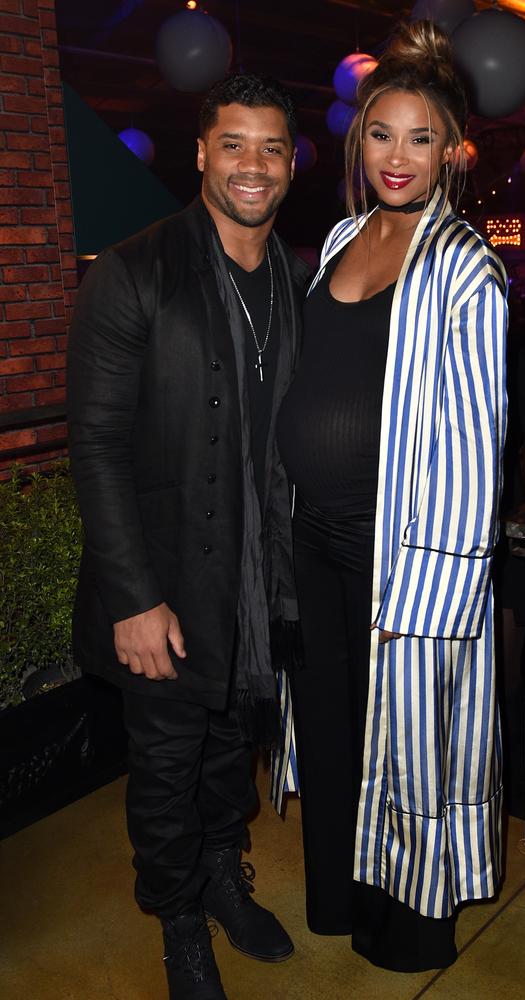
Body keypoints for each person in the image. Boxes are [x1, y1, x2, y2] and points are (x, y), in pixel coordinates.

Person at [67, 75, 310, 1000]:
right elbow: (92, 446)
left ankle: (221, 879)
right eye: (235, 145)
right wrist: (132, 597)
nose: (254, 165)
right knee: (166, 767)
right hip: (164, 586)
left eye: (273, 148)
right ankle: (177, 919)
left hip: (255, 581)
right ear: (200, 153)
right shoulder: (133, 272)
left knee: (226, 752)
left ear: (291, 164)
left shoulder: (293, 280)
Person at [275, 21, 507, 972]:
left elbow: (475, 450)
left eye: (420, 137)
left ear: (452, 149)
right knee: (330, 727)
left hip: (401, 556)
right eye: (381, 134)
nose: (397, 157)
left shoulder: (464, 265)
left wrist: (425, 599)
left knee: (408, 748)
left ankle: (408, 927)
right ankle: (337, 898)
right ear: (356, 139)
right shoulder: (340, 234)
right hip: (312, 538)